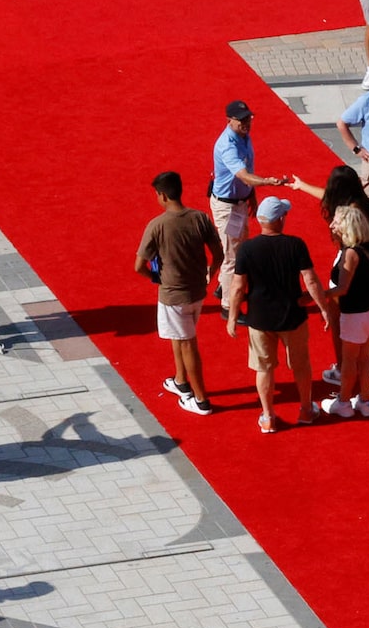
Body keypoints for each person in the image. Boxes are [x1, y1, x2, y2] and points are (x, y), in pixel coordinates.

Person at [234, 198, 327, 434]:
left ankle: (268, 417)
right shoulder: (295, 245)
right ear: (280, 219)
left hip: (259, 318)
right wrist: (324, 308)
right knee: (301, 366)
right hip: (292, 316)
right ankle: (306, 409)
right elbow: (311, 279)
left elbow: (238, 287)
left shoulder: (246, 248)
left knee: (263, 369)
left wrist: (233, 316)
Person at [138, 173, 226, 415]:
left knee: (187, 343)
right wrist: (210, 271)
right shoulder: (200, 218)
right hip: (197, 293)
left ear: (163, 195)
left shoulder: (157, 225)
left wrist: (156, 279)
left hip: (172, 296)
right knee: (179, 336)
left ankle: (200, 400)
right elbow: (218, 253)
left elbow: (138, 266)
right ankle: (180, 381)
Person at [210, 100, 291, 320]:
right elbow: (244, 175)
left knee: (238, 248)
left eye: (248, 118)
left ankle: (222, 287)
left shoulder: (244, 138)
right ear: (229, 121)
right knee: (232, 258)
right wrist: (265, 182)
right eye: (242, 120)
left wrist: (251, 195)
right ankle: (228, 307)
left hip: (239, 201)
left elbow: (248, 169)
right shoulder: (227, 144)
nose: (247, 123)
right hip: (227, 206)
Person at [320, 205, 369, 419]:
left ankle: (343, 402)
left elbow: (342, 288)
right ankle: (365, 402)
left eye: (337, 221)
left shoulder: (350, 253)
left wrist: (317, 296)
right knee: (365, 356)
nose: (332, 225)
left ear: (347, 225)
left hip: (356, 312)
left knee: (349, 359)